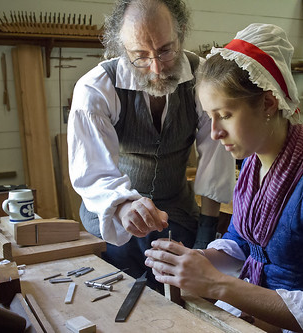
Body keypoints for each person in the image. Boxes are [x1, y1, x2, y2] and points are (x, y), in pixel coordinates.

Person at [144, 23, 303, 332]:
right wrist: (195, 261)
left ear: (268, 102)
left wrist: (216, 284)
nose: (214, 132)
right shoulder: (252, 165)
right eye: (210, 117)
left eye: (225, 115)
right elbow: (244, 242)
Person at [67, 0, 235, 292]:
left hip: (177, 211)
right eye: (140, 56)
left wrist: (206, 235)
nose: (156, 68)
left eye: (166, 50)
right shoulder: (95, 89)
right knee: (118, 289)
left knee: (186, 293)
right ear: (121, 48)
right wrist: (124, 207)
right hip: (112, 214)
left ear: (181, 33)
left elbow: (216, 160)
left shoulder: (202, 78)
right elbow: (93, 173)